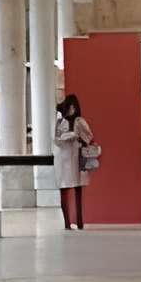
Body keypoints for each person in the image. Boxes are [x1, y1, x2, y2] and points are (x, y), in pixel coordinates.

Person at [52, 91, 95, 230]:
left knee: (78, 189)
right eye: (70, 107)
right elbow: (56, 140)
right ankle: (66, 223)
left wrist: (79, 138)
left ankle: (80, 221)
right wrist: (67, 137)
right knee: (64, 189)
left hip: (76, 160)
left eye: (74, 107)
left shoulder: (79, 121)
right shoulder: (60, 121)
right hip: (63, 159)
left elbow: (89, 137)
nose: (72, 110)